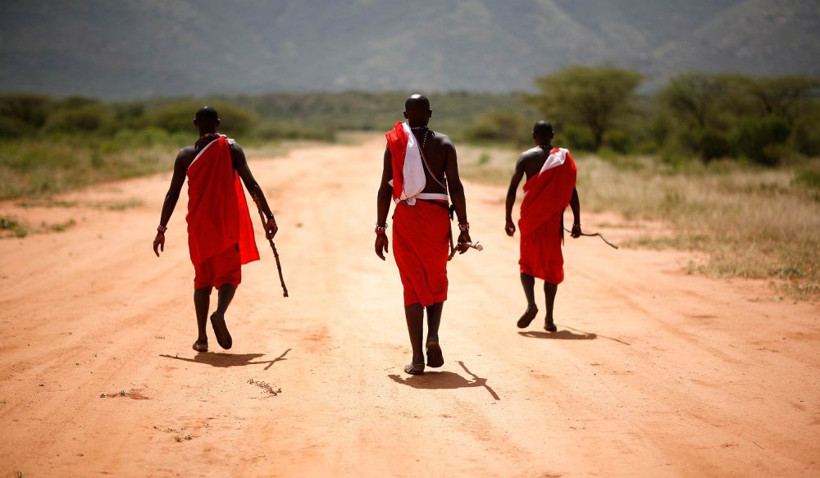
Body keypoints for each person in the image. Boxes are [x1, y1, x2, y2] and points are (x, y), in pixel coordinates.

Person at [153, 106, 277, 352]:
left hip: (198, 227)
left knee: (202, 281)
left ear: (195, 123)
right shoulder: (231, 148)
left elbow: (172, 194)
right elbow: (251, 183)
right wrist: (269, 216)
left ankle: (201, 339)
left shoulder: (184, 155)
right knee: (229, 277)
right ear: (218, 123)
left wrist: (161, 228)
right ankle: (219, 313)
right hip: (225, 224)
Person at [375, 94, 472, 375]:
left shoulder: (394, 143)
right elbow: (455, 186)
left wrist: (381, 229)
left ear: (405, 114)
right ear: (429, 114)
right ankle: (433, 335)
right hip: (436, 218)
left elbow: (385, 189)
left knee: (412, 284)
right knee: (436, 277)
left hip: (407, 218)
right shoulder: (444, 143)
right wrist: (464, 228)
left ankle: (417, 356)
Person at [505, 120, 581, 332]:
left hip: (530, 220)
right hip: (552, 222)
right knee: (552, 267)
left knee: (526, 264)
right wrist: (577, 221)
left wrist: (507, 218)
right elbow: (571, 192)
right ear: (553, 135)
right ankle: (549, 318)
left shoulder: (526, 157)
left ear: (533, 135)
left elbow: (512, 189)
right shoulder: (563, 160)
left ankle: (531, 304)